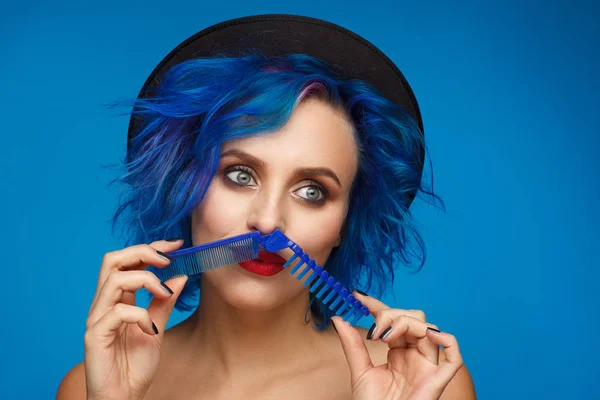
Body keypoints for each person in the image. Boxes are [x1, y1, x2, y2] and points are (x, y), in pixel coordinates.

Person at [57, 15, 476, 399]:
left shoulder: (429, 384)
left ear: (347, 222)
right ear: (186, 186)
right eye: (240, 175)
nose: (269, 221)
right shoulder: (90, 386)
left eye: (312, 191)